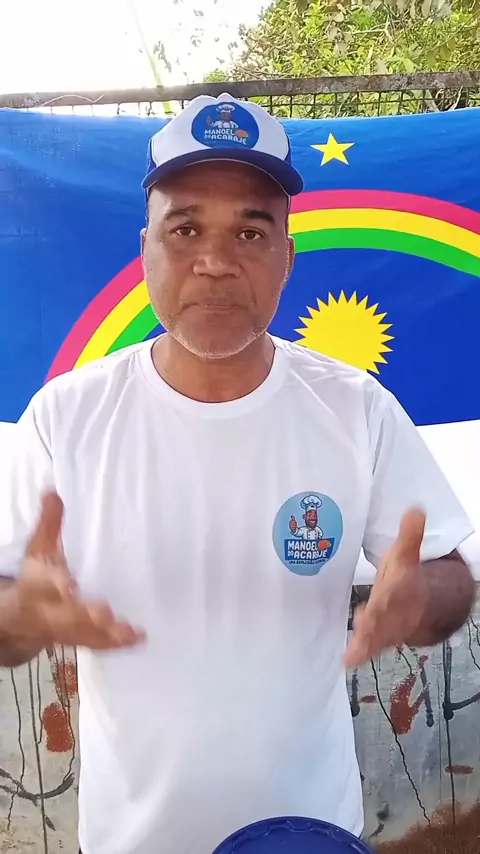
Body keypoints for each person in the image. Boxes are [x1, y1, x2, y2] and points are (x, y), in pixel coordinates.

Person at [0, 93, 475, 854]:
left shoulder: (354, 408)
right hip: (130, 839)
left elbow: (447, 572)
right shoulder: (66, 417)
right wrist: (22, 618)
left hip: (311, 831)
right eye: (185, 229)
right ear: (146, 249)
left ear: (287, 258)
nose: (216, 262)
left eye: (250, 232)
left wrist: (422, 600)